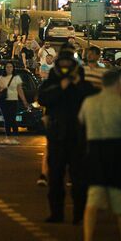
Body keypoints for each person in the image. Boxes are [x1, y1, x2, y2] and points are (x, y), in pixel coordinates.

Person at [79, 70, 121, 241]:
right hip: (117, 155)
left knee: (92, 202)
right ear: (118, 84)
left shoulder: (89, 103)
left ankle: (88, 237)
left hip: (94, 153)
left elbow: (81, 127)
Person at [38, 50, 97, 224]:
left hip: (78, 137)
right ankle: (56, 213)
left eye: (68, 64)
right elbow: (43, 97)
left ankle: (79, 214)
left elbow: (91, 97)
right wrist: (60, 87)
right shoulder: (53, 81)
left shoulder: (82, 82)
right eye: (62, 64)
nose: (65, 68)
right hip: (57, 137)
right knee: (55, 178)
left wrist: (77, 84)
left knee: (79, 179)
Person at [0, 61, 29, 144]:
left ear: (13, 68)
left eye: (10, 67)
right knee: (6, 119)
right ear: (5, 68)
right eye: (7, 67)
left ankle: (15, 137)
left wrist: (24, 101)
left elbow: (20, 90)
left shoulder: (16, 78)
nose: (9, 68)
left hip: (13, 100)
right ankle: (8, 137)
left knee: (12, 118)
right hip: (3, 101)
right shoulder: (1, 78)